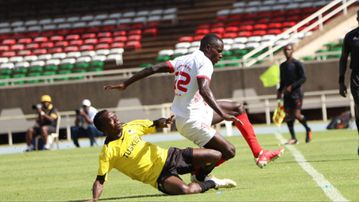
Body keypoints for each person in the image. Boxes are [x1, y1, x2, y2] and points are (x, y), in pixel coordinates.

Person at [104, 33, 284, 179]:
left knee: (238, 108)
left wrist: (126, 84)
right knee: (228, 151)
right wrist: (222, 114)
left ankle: (260, 153)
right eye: (219, 51)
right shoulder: (204, 62)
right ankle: (198, 175)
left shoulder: (182, 59)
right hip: (192, 120)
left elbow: (152, 69)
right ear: (208, 48)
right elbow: (204, 90)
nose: (220, 55)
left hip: (193, 113)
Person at [89, 110, 236, 200]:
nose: (117, 120)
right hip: (159, 177)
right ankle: (213, 183)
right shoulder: (107, 152)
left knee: (216, 155)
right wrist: (95, 199)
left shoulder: (131, 127)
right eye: (112, 120)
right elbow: (100, 180)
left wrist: (164, 121)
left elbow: (154, 123)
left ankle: (199, 176)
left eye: (116, 117)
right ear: (103, 128)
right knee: (186, 191)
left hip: (171, 156)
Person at [277, 44, 312, 145]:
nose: (287, 51)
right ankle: (293, 138)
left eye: (289, 50)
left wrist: (292, 87)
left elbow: (303, 78)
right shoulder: (282, 66)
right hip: (287, 94)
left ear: (292, 51)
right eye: (285, 50)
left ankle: (308, 129)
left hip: (297, 94)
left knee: (297, 115)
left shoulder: (297, 64)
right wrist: (279, 91)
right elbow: (282, 81)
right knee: (288, 116)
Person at [339, 9, 359, 155]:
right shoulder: (350, 37)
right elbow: (343, 59)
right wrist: (341, 81)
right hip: (357, 77)